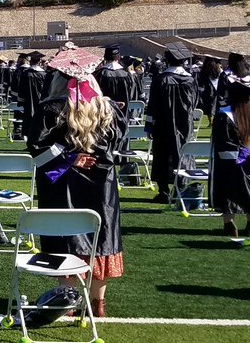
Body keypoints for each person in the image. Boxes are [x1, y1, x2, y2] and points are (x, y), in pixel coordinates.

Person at [33, 46, 125, 318]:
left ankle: (69, 300)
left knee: (66, 237)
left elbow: (37, 150)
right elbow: (115, 149)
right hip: (102, 184)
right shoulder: (107, 108)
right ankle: (98, 303)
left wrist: (69, 158)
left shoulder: (51, 108)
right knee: (100, 236)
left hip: (64, 184)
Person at [210, 77, 250, 238]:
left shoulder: (225, 115)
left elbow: (223, 143)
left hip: (233, 163)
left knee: (227, 191)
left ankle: (229, 223)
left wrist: (241, 156)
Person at [146, 43, 200, 203]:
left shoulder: (161, 80)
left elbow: (152, 105)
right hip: (185, 125)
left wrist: (149, 126)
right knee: (182, 153)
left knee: (162, 155)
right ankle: (181, 189)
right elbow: (195, 102)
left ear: (167, 61)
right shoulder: (190, 80)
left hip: (163, 125)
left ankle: (164, 191)